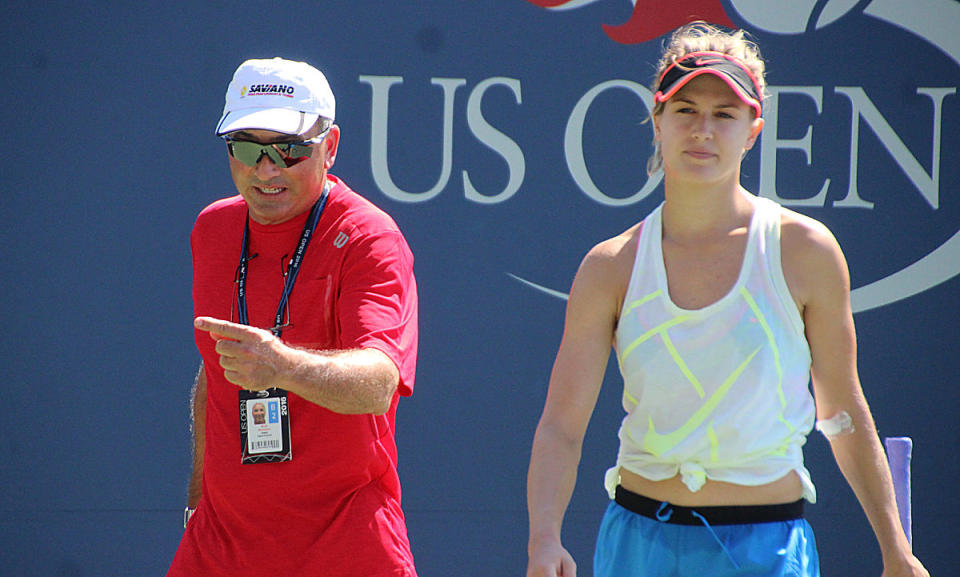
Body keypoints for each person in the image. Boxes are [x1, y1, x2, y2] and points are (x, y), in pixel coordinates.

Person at [526, 23, 929, 577]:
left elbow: (842, 410)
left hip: (768, 550)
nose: (703, 130)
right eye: (686, 110)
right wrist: (544, 538)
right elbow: (560, 427)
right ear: (657, 119)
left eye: (725, 115)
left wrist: (895, 551)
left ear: (753, 130)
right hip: (636, 545)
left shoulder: (806, 251)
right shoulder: (609, 267)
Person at [167, 57, 419, 577]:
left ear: (330, 147)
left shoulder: (372, 237)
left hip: (345, 543)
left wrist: (280, 366)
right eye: (246, 147)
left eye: (289, 149)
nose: (266, 169)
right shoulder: (211, 229)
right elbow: (216, 372)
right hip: (221, 543)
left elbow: (378, 383)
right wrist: (199, 497)